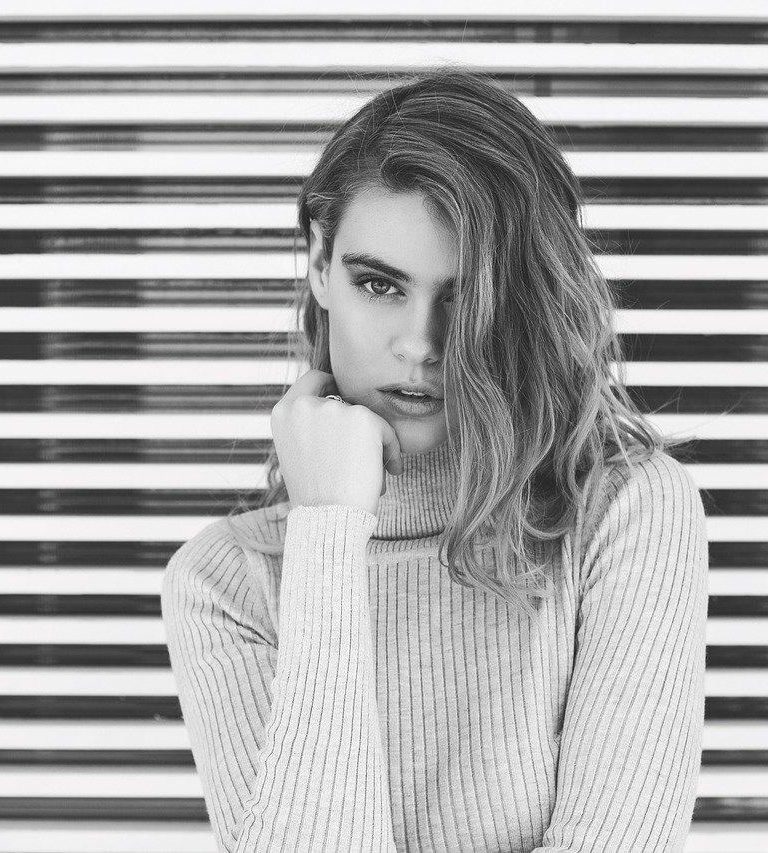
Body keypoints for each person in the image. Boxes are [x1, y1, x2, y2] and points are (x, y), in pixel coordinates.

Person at [161, 68, 710, 852]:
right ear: (319, 261)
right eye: (380, 284)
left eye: (463, 295)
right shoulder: (225, 585)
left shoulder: (624, 516)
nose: (421, 344)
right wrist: (327, 533)